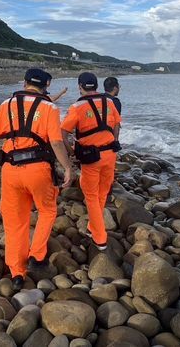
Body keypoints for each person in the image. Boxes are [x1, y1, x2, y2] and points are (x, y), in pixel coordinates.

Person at [0, 68, 73, 290]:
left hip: (10, 168)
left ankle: (17, 272)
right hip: (38, 170)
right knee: (47, 210)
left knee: (15, 220)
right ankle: (37, 255)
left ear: (25, 82)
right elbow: (56, 142)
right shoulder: (50, 108)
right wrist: (67, 167)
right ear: (47, 85)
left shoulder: (7, 104)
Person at [62, 72, 121, 250]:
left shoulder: (77, 107)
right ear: (96, 86)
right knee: (102, 193)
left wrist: (71, 151)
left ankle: (100, 238)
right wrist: (114, 141)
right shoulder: (110, 102)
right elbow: (117, 124)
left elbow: (62, 133)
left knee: (91, 197)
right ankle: (92, 226)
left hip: (91, 158)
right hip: (110, 155)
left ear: (80, 86)